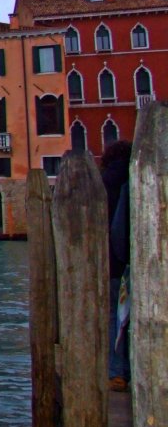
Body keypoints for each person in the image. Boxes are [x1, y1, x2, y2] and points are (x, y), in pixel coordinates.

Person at [101, 140, 132, 391]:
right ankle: (125, 369)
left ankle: (117, 371)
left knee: (114, 317)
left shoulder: (100, 183)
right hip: (129, 264)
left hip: (107, 263)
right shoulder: (131, 181)